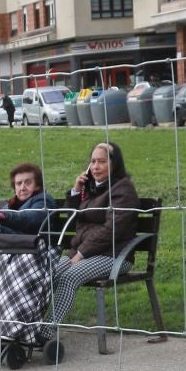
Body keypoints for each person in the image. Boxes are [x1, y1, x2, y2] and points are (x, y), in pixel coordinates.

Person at [42, 139, 143, 332]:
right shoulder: (90, 189)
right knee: (48, 273)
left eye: (102, 162)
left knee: (69, 277)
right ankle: (30, 325)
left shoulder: (123, 190)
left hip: (114, 255)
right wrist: (75, 191)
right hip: (81, 253)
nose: (96, 166)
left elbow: (112, 230)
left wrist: (81, 253)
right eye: (93, 161)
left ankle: (46, 330)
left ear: (115, 164)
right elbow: (70, 221)